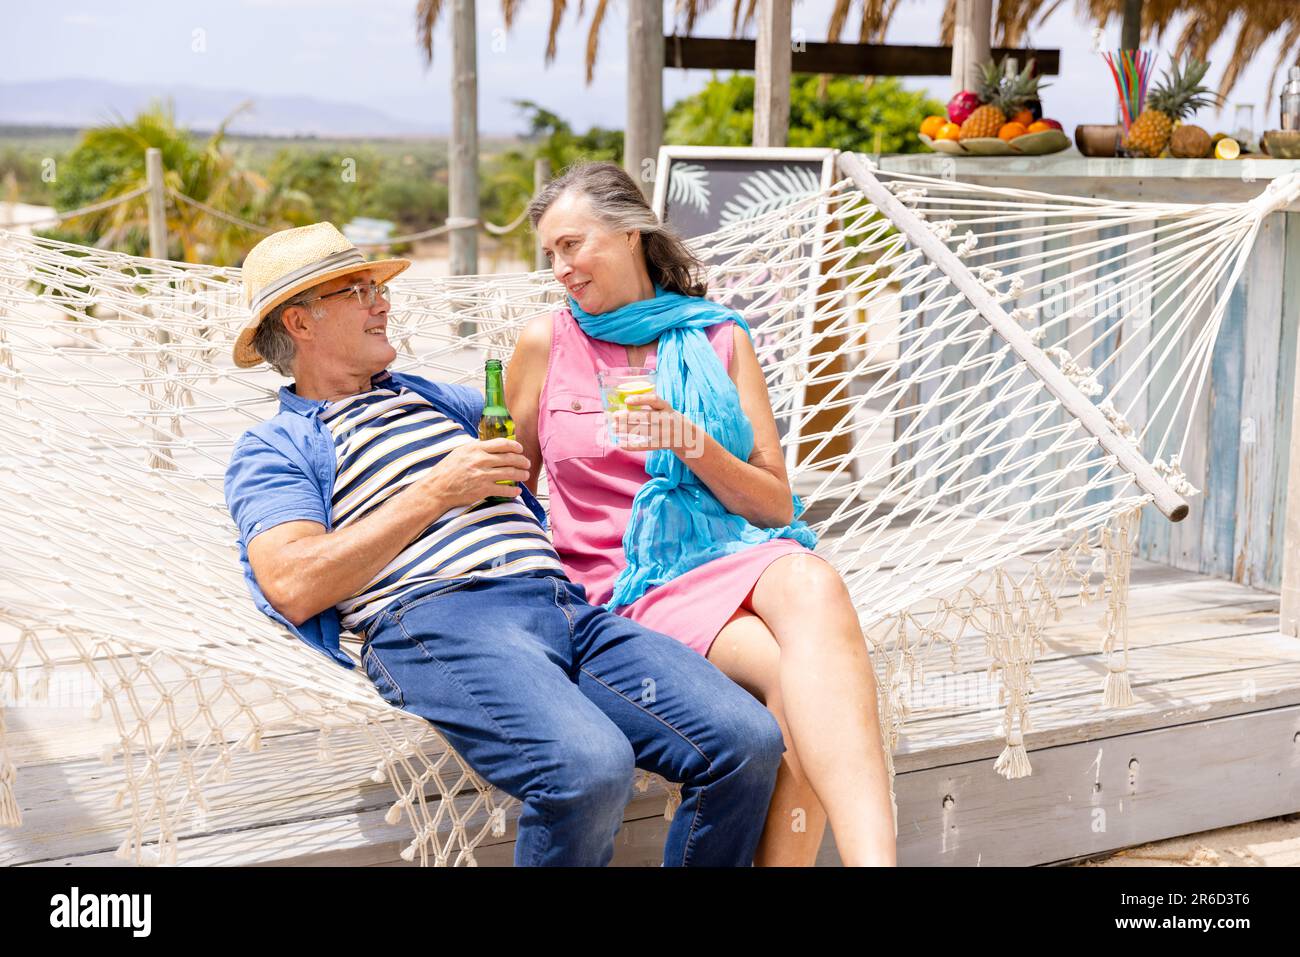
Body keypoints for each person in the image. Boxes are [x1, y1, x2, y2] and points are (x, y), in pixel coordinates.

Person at [222, 222, 785, 867]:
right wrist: (436, 492)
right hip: (440, 619)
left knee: (745, 740)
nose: (383, 302)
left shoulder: (445, 404)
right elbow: (293, 583)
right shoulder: (274, 449)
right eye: (358, 291)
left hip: (565, 607)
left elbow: (563, 427)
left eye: (377, 287)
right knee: (588, 769)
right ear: (300, 322)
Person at [507, 162, 897, 866]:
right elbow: (514, 486)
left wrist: (688, 440)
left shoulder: (719, 338)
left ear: (630, 233)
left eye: (572, 244)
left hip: (723, 552)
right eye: (550, 254)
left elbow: (776, 501)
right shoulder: (545, 344)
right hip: (616, 587)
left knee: (813, 581)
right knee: (791, 677)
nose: (560, 267)